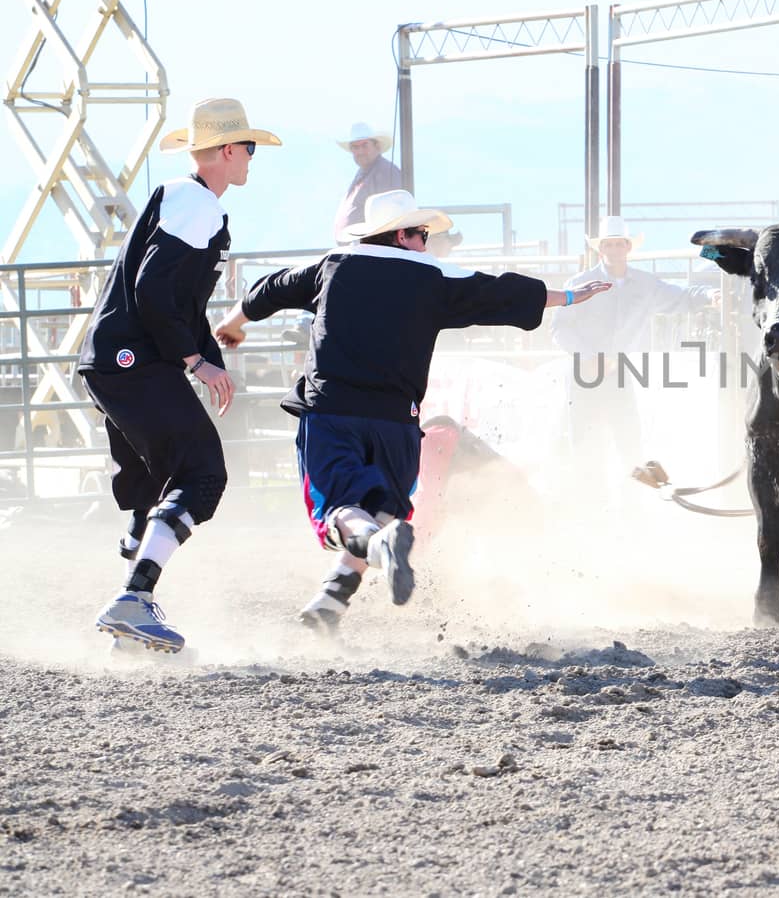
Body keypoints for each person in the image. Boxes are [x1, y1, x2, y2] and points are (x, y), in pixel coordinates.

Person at [213, 190, 610, 633]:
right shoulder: (434, 278)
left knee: (339, 511)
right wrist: (569, 297)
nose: (426, 241)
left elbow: (271, 288)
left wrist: (232, 324)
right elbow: (497, 293)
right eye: (422, 233)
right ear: (402, 235)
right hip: (398, 423)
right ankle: (331, 601)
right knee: (383, 510)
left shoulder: (333, 266)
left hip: (333, 411)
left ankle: (368, 558)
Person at [82, 97, 281, 654]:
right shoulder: (196, 205)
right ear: (224, 151)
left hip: (113, 361)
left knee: (154, 485)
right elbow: (152, 291)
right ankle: (134, 601)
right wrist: (195, 360)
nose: (251, 157)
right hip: (135, 363)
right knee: (202, 475)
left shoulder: (181, 198)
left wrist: (203, 353)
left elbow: (173, 298)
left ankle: (128, 625)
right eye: (247, 147)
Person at [550, 215, 718, 496]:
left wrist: (710, 294)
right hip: (584, 374)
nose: (614, 250)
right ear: (600, 249)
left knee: (628, 440)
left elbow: (681, 297)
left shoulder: (644, 284)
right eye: (609, 245)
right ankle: (590, 504)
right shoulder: (580, 282)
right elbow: (559, 328)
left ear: (627, 247)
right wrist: (589, 356)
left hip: (618, 373)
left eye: (619, 244)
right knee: (585, 443)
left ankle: (631, 504)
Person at [331, 121, 403, 242]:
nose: (360, 151)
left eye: (364, 145)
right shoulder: (364, 172)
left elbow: (389, 217)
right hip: (360, 247)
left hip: (372, 248)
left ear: (377, 147)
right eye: (355, 147)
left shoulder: (385, 171)